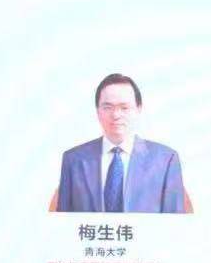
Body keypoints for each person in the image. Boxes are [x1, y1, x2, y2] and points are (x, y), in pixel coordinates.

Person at [54, 74, 190, 213]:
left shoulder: (165, 160)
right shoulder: (73, 160)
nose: (116, 115)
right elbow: (62, 222)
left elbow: (175, 222)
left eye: (124, 108)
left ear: (138, 109)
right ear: (98, 111)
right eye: (107, 107)